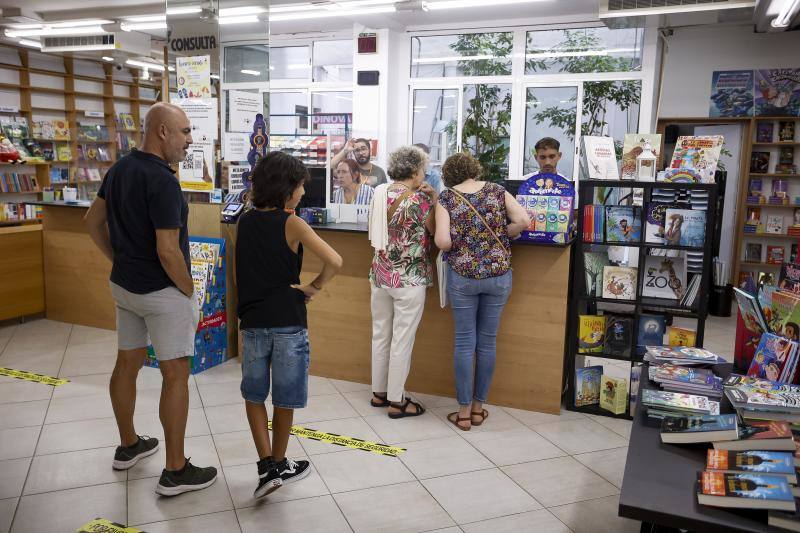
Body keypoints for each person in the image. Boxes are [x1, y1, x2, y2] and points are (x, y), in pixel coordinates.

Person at [84, 102, 217, 496]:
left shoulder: (119, 169)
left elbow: (91, 221)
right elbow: (168, 251)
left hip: (125, 287)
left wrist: (119, 259)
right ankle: (175, 470)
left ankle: (128, 445)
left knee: (127, 363)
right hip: (162, 292)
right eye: (185, 131)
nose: (190, 140)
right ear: (162, 131)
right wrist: (190, 291)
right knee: (175, 375)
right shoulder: (163, 181)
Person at [236, 151, 343, 499]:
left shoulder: (244, 222)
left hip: (253, 321)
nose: (303, 192)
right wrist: (314, 287)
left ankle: (266, 465)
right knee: (284, 398)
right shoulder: (292, 223)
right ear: (286, 188)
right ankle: (280, 462)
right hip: (288, 322)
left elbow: (243, 273)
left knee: (254, 395)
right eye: (299, 186)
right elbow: (335, 260)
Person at [434, 153, 530, 431]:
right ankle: (478, 409)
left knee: (465, 343)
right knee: (487, 342)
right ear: (474, 169)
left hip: (463, 277)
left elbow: (442, 241)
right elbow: (524, 220)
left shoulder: (447, 198)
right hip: (498, 276)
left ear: (449, 175)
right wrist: (502, 233)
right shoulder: (497, 191)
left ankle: (463, 413)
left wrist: (463, 242)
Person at [368, 146, 436, 418]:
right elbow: (434, 231)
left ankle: (378, 392)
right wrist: (435, 200)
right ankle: (397, 401)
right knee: (402, 340)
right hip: (410, 278)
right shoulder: (420, 200)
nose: (424, 175)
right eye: (423, 170)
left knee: (380, 334)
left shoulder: (379, 193)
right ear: (415, 171)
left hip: (380, 274)